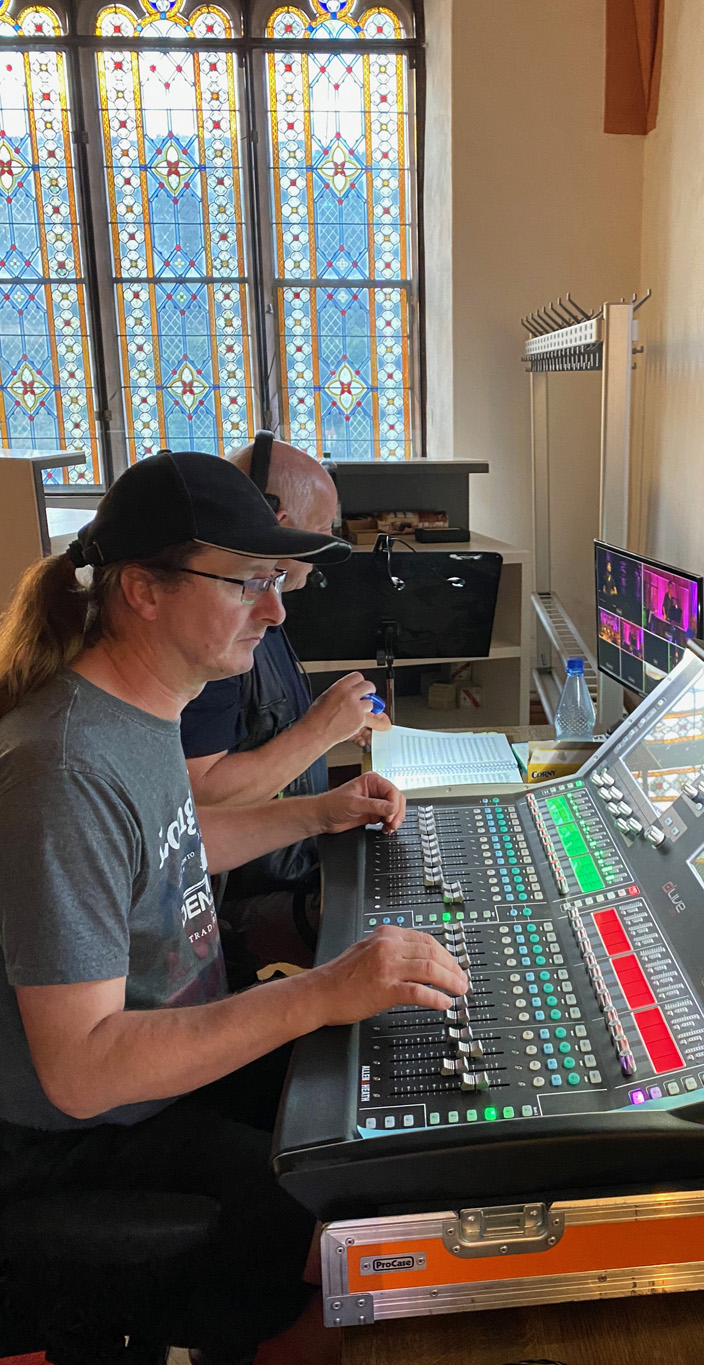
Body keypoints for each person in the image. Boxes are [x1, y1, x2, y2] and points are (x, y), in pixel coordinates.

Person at [0, 451, 467, 1363]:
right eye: (249, 581)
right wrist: (320, 991)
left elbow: (169, 847)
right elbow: (82, 1069)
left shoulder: (137, 705)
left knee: (397, 1129)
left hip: (164, 1074)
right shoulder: (62, 770)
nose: (277, 608)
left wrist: (318, 812)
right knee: (372, 1253)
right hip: (85, 1135)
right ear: (144, 590)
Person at [179, 438, 387, 978]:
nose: (273, 611)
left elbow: (256, 729)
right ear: (280, 523)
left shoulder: (262, 609)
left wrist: (338, 726)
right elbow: (198, 799)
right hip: (251, 898)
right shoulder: (214, 635)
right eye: (324, 529)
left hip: (296, 855)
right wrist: (318, 731)